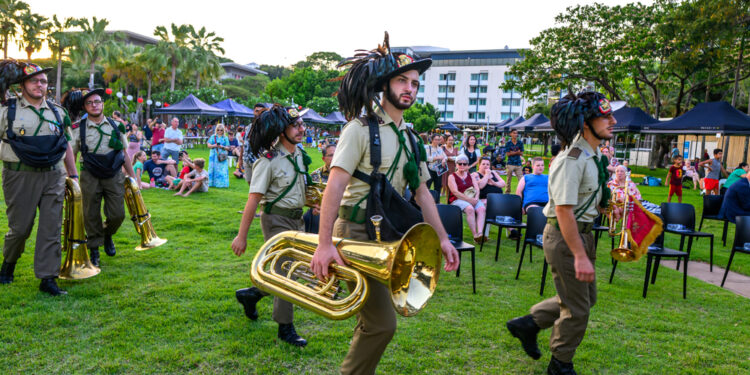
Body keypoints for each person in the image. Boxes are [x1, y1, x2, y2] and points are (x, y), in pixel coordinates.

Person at [309, 36, 459, 374]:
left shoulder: (411, 138)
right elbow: (334, 186)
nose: (410, 89)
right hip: (355, 232)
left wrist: (444, 239)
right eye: (402, 80)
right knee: (381, 324)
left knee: (374, 322)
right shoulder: (359, 129)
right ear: (384, 85)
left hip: (387, 235)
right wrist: (324, 243)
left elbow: (422, 194)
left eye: (415, 84)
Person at [507, 90, 617, 375]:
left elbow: (584, 199)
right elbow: (564, 211)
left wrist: (607, 209)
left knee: (583, 299)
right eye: (605, 117)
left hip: (582, 235)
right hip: (567, 237)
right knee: (577, 309)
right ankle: (560, 364)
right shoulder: (572, 159)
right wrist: (579, 255)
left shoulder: (592, 156)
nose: (613, 121)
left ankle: (528, 324)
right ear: (586, 123)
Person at [231, 105, 311, 347]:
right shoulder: (268, 161)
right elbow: (253, 200)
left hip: (298, 219)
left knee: (294, 271)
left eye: (301, 125)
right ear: (281, 130)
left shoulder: (299, 155)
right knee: (287, 272)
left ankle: (252, 294)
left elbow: (299, 189)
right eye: (295, 125)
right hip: (276, 219)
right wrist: (241, 236)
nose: (301, 129)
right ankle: (285, 328)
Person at [0, 62, 78, 295]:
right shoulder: (7, 111)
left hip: (54, 175)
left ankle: (48, 278)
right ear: (22, 84)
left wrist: (73, 175)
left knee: (51, 228)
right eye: (34, 80)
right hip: (19, 175)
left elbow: (66, 146)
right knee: (20, 229)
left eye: (43, 81)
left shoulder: (58, 112)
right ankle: (8, 263)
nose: (39, 85)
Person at [70, 88, 137, 267]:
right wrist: (71, 178)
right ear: (84, 107)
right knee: (90, 213)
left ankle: (107, 235)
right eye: (90, 103)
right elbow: (72, 155)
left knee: (118, 214)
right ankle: (94, 249)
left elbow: (124, 153)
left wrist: (132, 177)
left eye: (97, 101)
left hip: (114, 174)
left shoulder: (117, 125)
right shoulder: (78, 128)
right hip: (89, 175)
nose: (94, 105)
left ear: (102, 104)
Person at [449, 154, 487, 243]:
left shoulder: (471, 176)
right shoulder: (452, 176)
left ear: (467, 165)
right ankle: (475, 236)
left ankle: (480, 233)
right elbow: (455, 192)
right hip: (457, 200)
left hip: (472, 198)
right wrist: (470, 200)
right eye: (460, 163)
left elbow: (477, 188)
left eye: (464, 164)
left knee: (481, 208)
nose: (462, 165)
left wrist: (476, 198)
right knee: (470, 209)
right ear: (456, 164)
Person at [207, 124, 230, 188]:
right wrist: (214, 145)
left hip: (221, 156)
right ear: (216, 130)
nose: (219, 131)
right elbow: (208, 145)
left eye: (221, 130)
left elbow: (228, 148)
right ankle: (211, 183)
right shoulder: (213, 137)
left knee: (222, 169)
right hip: (213, 156)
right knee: (212, 169)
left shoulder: (225, 138)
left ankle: (221, 184)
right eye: (218, 130)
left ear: (223, 130)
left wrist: (222, 147)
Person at [504, 128, 524, 193]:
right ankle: (507, 193)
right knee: (508, 180)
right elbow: (508, 154)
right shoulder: (508, 143)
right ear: (511, 134)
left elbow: (521, 153)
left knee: (521, 180)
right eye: (514, 133)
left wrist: (512, 152)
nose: (515, 134)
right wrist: (517, 152)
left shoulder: (520, 143)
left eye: (516, 133)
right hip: (510, 164)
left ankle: (521, 193)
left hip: (518, 164)